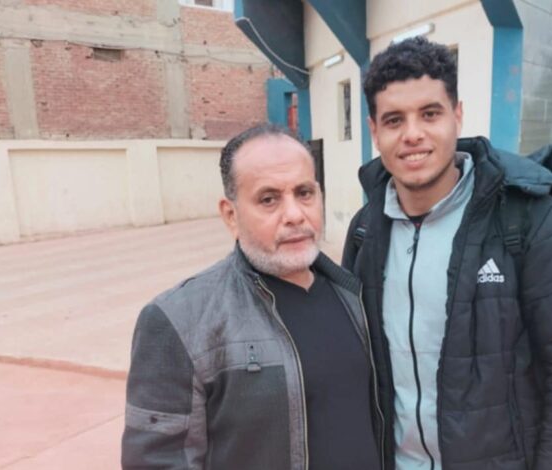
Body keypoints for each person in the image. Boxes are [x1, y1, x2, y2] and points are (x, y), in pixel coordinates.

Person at [342, 37, 552, 470]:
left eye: (430, 113)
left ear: (457, 115)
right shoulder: (365, 231)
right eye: (394, 120)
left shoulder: (528, 217)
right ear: (374, 131)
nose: (412, 134)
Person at [122, 124, 382, 469]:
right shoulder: (180, 320)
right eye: (268, 199)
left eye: (304, 193)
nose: (294, 215)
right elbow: (157, 460)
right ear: (231, 215)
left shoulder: (354, 294)